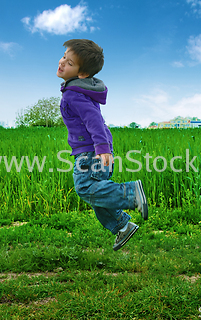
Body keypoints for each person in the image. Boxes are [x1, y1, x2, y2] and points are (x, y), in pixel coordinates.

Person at [57, 39, 148, 251]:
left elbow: (94, 120)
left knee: (85, 188)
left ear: (82, 74)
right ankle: (122, 226)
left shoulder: (74, 94)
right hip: (96, 150)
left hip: (91, 152)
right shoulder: (80, 90)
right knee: (99, 195)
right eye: (64, 57)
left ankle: (131, 193)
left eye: (69, 63)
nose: (62, 63)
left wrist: (101, 148)